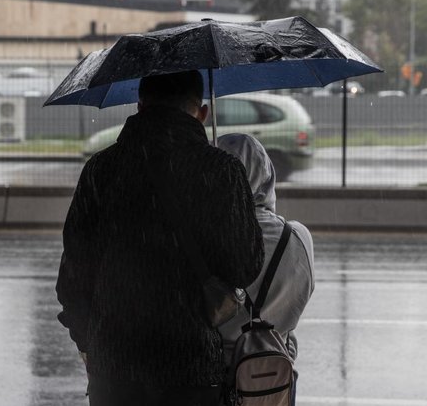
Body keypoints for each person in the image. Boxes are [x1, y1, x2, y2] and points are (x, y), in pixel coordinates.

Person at [56, 70, 264, 406]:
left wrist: (89, 343)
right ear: (203, 113)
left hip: (114, 369)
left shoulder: (101, 170)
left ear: (139, 106)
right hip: (192, 369)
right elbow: (246, 266)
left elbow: (72, 279)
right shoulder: (221, 171)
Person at [216, 133, 315, 385]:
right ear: (267, 173)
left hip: (217, 376)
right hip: (275, 378)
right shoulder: (297, 237)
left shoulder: (205, 238)